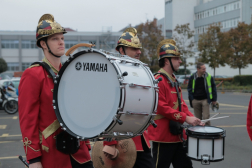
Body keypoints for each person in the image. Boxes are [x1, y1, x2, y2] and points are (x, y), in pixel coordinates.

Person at [18, 14, 93, 168]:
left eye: (62, 38)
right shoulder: (33, 74)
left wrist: (86, 144)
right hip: (52, 154)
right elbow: (27, 119)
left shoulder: (69, 73)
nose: (61, 42)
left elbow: (77, 112)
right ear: (43, 44)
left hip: (79, 152)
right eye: (55, 39)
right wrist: (33, 159)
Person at [102, 27, 155, 168]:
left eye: (139, 48)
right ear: (121, 50)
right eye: (134, 48)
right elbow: (107, 111)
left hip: (142, 140)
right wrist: (109, 142)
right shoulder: (112, 74)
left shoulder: (141, 72)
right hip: (121, 144)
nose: (139, 52)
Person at [148, 39, 203, 168]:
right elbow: (162, 108)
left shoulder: (172, 79)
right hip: (163, 137)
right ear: (167, 61)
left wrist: (193, 119)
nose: (180, 61)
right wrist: (185, 118)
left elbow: (181, 104)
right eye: (177, 58)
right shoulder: (158, 80)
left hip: (177, 135)